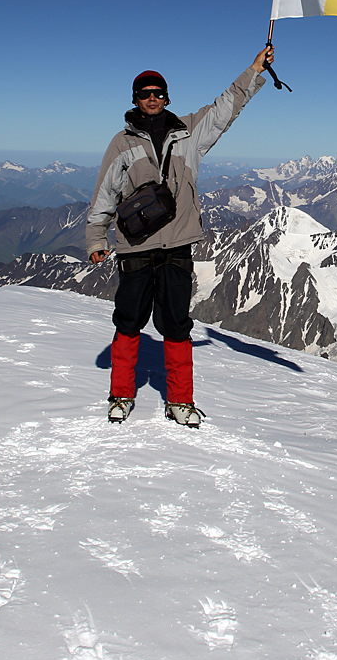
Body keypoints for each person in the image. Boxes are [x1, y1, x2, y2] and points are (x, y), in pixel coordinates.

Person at [86, 46, 273, 426]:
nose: (152, 98)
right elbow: (105, 192)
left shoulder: (189, 133)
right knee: (128, 320)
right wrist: (95, 238)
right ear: (136, 100)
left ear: (166, 97)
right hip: (135, 246)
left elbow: (226, 107)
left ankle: (180, 401)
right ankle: (121, 394)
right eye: (145, 93)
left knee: (176, 324)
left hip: (177, 246)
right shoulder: (121, 143)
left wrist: (254, 71)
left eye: (158, 93)